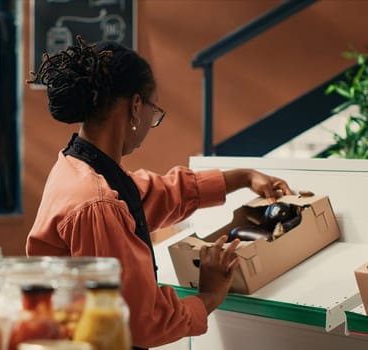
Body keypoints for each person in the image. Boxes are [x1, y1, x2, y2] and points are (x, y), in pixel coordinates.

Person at [25, 36, 293, 349]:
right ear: (136, 107)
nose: (151, 123)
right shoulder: (97, 203)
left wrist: (243, 177)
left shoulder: (78, 167)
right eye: (154, 112)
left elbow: (159, 194)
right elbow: (138, 323)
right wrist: (208, 296)